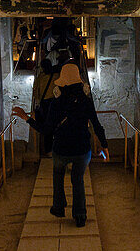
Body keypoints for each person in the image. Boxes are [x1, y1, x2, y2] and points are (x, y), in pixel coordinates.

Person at [13, 63, 109, 227]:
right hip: (82, 148)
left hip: (62, 148)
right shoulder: (86, 101)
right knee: (77, 179)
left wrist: (26, 118)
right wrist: (104, 145)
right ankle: (80, 216)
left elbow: (46, 130)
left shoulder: (56, 103)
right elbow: (96, 124)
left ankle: (59, 207)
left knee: (58, 175)